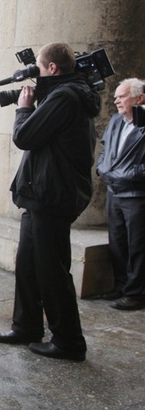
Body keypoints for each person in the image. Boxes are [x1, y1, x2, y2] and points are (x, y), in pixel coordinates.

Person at [0, 42, 101, 362]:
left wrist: (24, 107)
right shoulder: (63, 93)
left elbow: (25, 137)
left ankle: (68, 341)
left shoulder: (65, 97)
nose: (36, 74)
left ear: (52, 68)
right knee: (28, 264)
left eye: (39, 68)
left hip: (52, 196)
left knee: (51, 270)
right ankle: (26, 326)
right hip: (40, 194)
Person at [96, 78, 145, 310]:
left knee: (137, 245)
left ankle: (136, 294)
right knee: (116, 241)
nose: (116, 100)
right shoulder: (116, 121)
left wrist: (130, 175)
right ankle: (121, 287)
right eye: (116, 96)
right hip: (114, 191)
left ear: (140, 98)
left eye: (122, 96)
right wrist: (101, 167)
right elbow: (105, 150)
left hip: (137, 194)